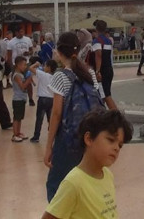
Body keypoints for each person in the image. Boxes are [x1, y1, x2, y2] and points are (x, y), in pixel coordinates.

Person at [44, 32, 110, 201]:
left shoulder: (60, 76)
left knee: (57, 186)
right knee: (87, 182)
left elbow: (56, 114)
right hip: (90, 139)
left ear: (59, 52)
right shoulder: (90, 73)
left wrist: (48, 146)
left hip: (67, 141)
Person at [42, 109, 133, 219]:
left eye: (120, 145)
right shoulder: (74, 183)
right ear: (89, 139)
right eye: (110, 140)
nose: (116, 148)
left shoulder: (108, 175)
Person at [10, 56, 38, 142]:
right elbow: (22, 87)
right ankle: (15, 134)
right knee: (16, 118)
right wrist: (29, 79)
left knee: (20, 117)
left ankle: (18, 132)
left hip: (22, 99)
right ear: (18, 65)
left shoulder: (21, 74)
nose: (25, 67)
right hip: (17, 99)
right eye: (24, 65)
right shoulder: (17, 75)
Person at [31, 59, 57, 143]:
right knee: (51, 119)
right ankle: (53, 135)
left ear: (49, 68)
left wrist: (36, 64)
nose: (44, 67)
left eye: (45, 66)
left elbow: (30, 68)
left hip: (42, 99)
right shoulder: (55, 77)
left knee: (39, 118)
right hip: (51, 99)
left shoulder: (43, 74)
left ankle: (36, 136)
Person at [91, 20, 114, 102]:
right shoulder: (108, 41)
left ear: (96, 29)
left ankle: (115, 113)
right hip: (109, 69)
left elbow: (98, 55)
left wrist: (97, 71)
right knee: (105, 94)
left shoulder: (97, 41)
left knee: (105, 95)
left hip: (101, 70)